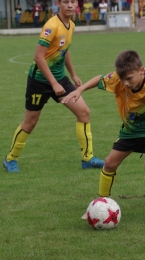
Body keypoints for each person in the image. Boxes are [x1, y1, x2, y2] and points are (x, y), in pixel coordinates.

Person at [62, 50, 145, 219]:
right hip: (131, 128)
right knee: (110, 163)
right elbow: (100, 79)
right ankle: (101, 206)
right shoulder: (118, 79)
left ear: (141, 70)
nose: (125, 83)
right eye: (122, 79)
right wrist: (80, 89)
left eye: (129, 79)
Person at [3, 0, 104, 173]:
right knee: (30, 123)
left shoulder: (71, 24)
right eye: (66, 2)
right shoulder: (51, 26)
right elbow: (38, 57)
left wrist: (72, 74)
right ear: (58, 4)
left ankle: (87, 158)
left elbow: (64, 50)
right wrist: (54, 83)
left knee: (84, 112)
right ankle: (10, 159)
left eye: (73, 2)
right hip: (40, 82)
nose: (70, 5)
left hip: (60, 79)